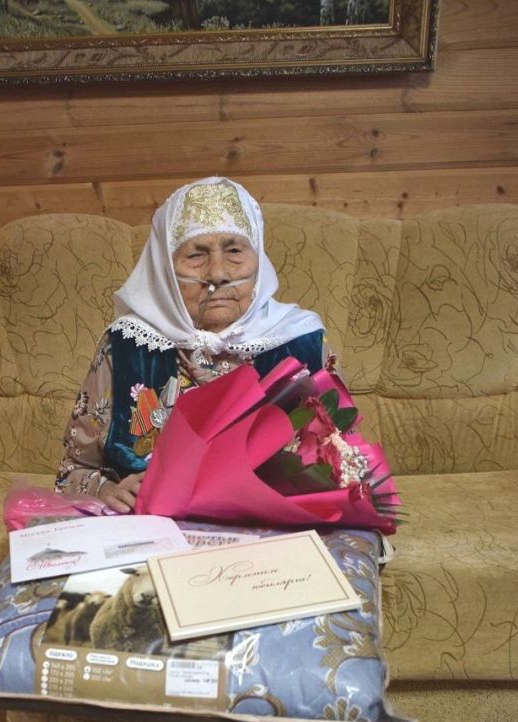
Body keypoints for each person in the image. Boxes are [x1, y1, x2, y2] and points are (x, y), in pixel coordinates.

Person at [55, 176, 331, 514]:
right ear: (165, 268)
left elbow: (344, 462)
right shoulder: (128, 347)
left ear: (258, 258)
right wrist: (107, 489)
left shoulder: (301, 342)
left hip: (273, 525)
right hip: (155, 524)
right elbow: (71, 471)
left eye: (234, 251)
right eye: (196, 255)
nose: (217, 274)